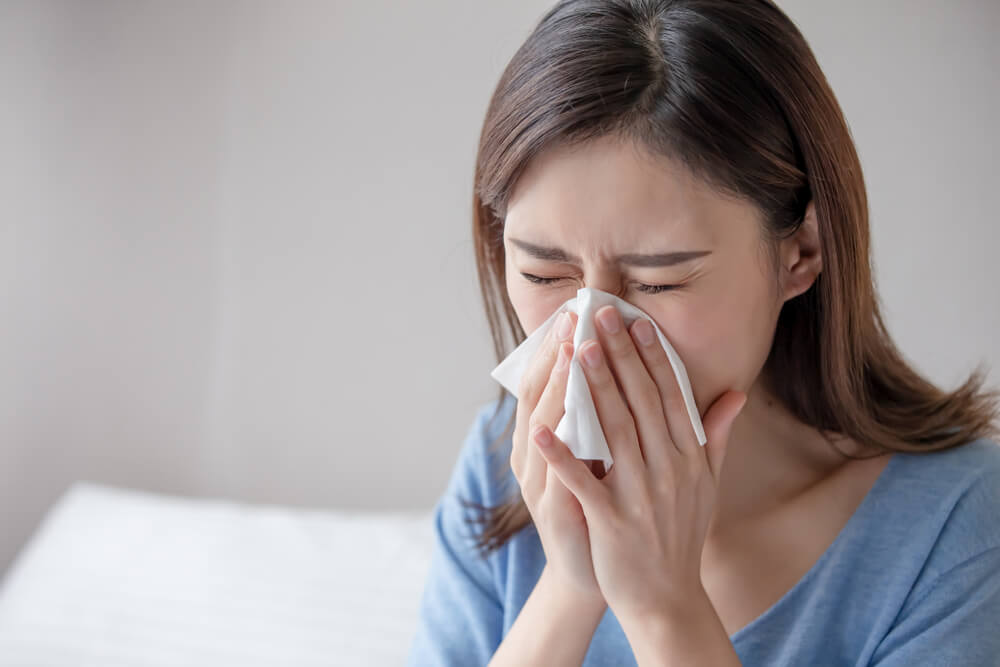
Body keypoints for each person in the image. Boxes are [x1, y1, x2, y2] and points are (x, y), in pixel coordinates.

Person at [406, 0, 1000, 664]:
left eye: (659, 282)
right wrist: (572, 588)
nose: (595, 338)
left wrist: (665, 605)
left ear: (799, 252)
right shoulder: (499, 470)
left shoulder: (958, 528)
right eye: (545, 272)